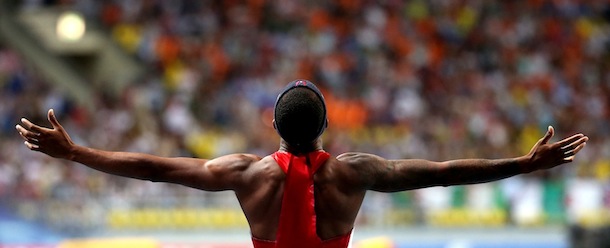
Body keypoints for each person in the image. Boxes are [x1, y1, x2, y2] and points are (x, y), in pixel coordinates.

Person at [16, 79, 588, 248]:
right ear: (326, 127)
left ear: (273, 125)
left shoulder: (246, 173)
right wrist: (522, 164)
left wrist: (76, 152)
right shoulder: (356, 171)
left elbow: (155, 168)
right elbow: (441, 171)